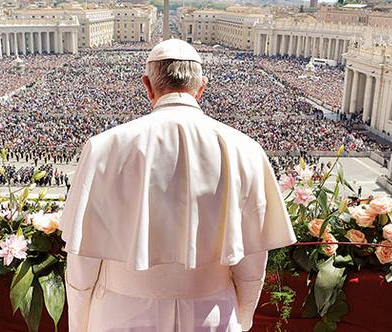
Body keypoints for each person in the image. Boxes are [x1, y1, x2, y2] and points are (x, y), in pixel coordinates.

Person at [59, 39, 296, 332]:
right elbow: (252, 263)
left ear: (147, 86)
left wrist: (80, 323)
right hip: (213, 313)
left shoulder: (103, 147)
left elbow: (83, 262)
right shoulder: (245, 149)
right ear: (201, 87)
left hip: (121, 314)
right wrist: (242, 316)